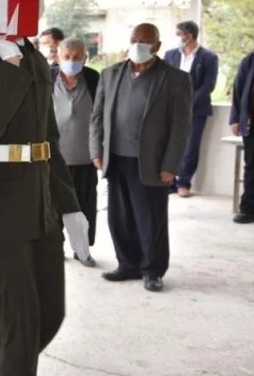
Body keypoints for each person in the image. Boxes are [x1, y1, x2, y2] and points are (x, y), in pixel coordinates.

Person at [0, 28, 89, 376]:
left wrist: (68, 204)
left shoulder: (31, 52)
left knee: (50, 312)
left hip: (39, 202)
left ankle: (7, 362)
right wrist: (8, 63)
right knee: (18, 322)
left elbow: (46, 137)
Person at [90, 23, 191, 292]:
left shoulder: (175, 79)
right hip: (116, 158)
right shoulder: (111, 74)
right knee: (119, 217)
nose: (138, 44)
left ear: (157, 46)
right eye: (135, 39)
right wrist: (96, 151)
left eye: (145, 41)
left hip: (153, 162)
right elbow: (97, 117)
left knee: (151, 219)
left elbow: (181, 127)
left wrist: (171, 165)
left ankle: (153, 270)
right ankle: (127, 264)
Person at [51, 37, 100, 266]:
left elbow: (101, 117)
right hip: (54, 158)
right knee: (53, 207)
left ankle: (83, 251)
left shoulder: (93, 78)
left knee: (84, 206)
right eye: (67, 57)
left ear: (85, 58)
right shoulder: (48, 78)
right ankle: (54, 248)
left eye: (76, 57)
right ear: (57, 58)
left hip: (85, 157)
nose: (72, 61)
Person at [164, 21, 219, 197]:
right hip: (172, 108)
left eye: (179, 34)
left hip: (196, 109)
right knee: (170, 145)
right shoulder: (170, 55)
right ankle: (169, 181)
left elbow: (208, 84)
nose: (178, 37)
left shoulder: (209, 57)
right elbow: (164, 79)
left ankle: (184, 182)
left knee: (191, 147)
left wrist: (189, 102)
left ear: (189, 35)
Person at [230, 50, 254, 224]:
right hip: (251, 124)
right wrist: (235, 118)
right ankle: (248, 208)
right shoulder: (250, 60)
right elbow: (238, 89)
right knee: (252, 167)